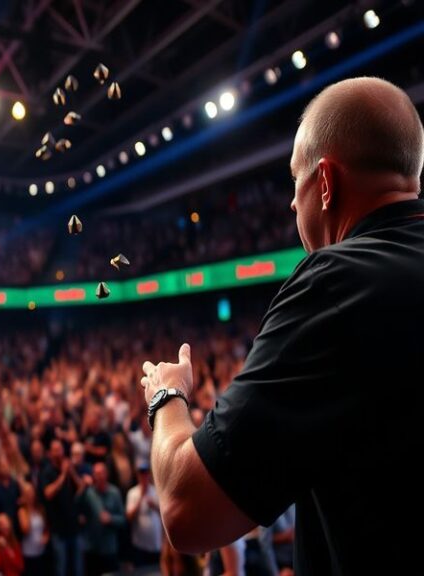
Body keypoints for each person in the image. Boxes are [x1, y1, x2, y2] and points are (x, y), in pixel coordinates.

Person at [140, 76, 424, 575]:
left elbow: (188, 513)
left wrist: (167, 397)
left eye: (296, 182)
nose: (293, 204)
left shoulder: (337, 282)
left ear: (326, 182)